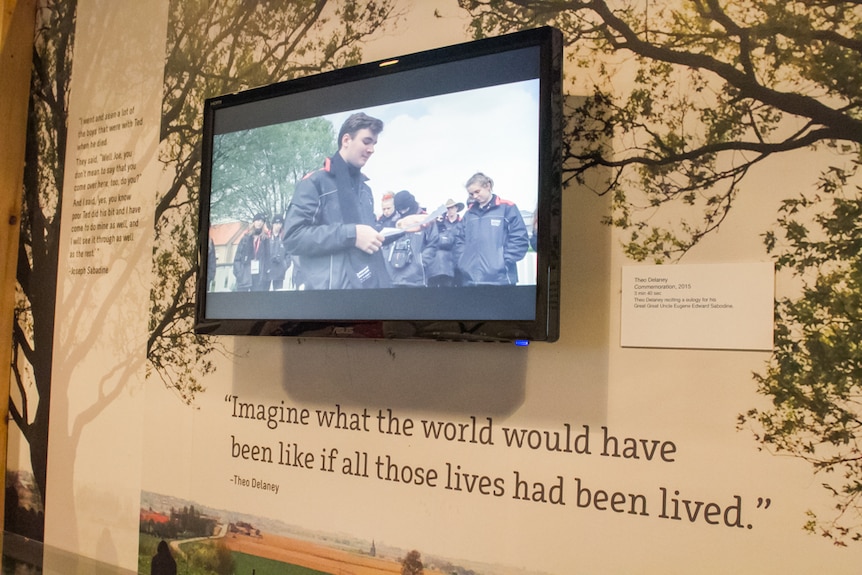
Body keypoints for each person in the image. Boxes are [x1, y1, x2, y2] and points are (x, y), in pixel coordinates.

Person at [283, 112, 391, 290]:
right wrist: (351, 235)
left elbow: (369, 234)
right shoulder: (315, 182)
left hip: (370, 290)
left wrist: (403, 227)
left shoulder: (366, 189)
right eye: (367, 141)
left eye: (374, 143)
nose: (372, 149)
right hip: (330, 298)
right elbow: (293, 237)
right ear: (346, 140)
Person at [454, 172, 529, 285]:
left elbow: (520, 238)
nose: (474, 196)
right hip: (471, 280)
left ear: (487, 186)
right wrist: (463, 261)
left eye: (477, 192)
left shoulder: (507, 208)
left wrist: (503, 262)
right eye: (471, 194)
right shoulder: (469, 214)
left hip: (501, 280)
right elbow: (459, 239)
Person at [383, 190, 438, 287]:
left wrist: (420, 262)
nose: (402, 212)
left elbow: (433, 243)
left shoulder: (425, 221)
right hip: (394, 278)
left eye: (405, 209)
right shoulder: (393, 222)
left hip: (416, 278)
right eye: (400, 210)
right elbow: (385, 246)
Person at [427, 198, 463, 287]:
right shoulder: (441, 224)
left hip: (458, 257)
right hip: (443, 261)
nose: (450, 210)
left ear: (456, 208)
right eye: (448, 208)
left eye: (452, 208)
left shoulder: (462, 223)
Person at [232, 212, 269, 291]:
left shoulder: (265, 240)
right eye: (258, 220)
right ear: (254, 222)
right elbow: (237, 258)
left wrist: (265, 275)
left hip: (259, 278)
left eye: (262, 221)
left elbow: (268, 259)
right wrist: (239, 273)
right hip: (244, 276)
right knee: (243, 302)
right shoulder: (245, 239)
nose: (260, 223)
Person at [266, 214, 289, 290]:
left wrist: (285, 265)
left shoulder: (285, 237)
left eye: (280, 224)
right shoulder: (266, 236)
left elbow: (289, 254)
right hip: (267, 270)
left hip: (279, 271)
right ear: (272, 224)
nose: (278, 226)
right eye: (276, 223)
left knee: (278, 294)